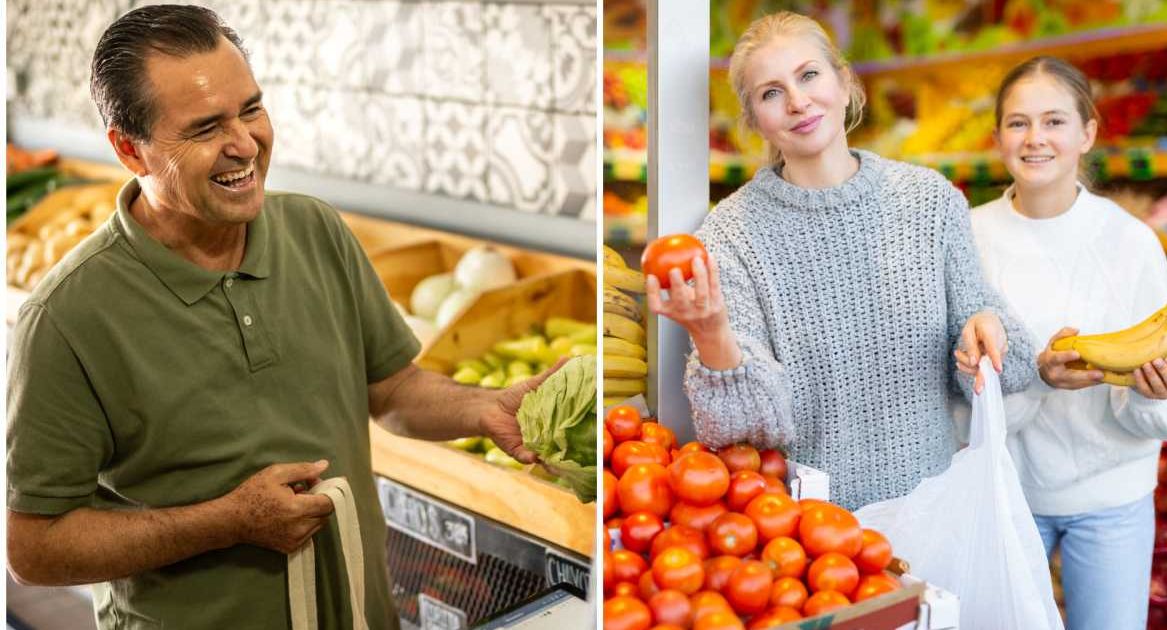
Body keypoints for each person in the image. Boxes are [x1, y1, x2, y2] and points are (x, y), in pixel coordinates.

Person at [6, 6, 558, 628]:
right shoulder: (67, 316)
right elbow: (33, 549)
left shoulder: (315, 230)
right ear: (131, 151)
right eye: (205, 128)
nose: (244, 144)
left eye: (251, 109)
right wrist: (227, 523)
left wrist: (483, 408)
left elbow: (394, 390)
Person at [646, 11, 1038, 511]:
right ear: (754, 121)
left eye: (809, 75)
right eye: (771, 93)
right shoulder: (730, 236)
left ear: (845, 81)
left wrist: (985, 333)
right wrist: (711, 334)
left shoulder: (929, 202)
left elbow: (1010, 367)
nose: (797, 101)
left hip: (935, 508)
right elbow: (745, 430)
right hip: (813, 536)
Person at [964, 56, 1167, 630]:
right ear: (997, 138)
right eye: (1017, 123)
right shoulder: (968, 237)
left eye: (1054, 121)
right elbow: (949, 388)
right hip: (1004, 495)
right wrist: (1033, 380)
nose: (1035, 138)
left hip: (1113, 497)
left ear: (1087, 132)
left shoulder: (1130, 243)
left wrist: (1150, 395)